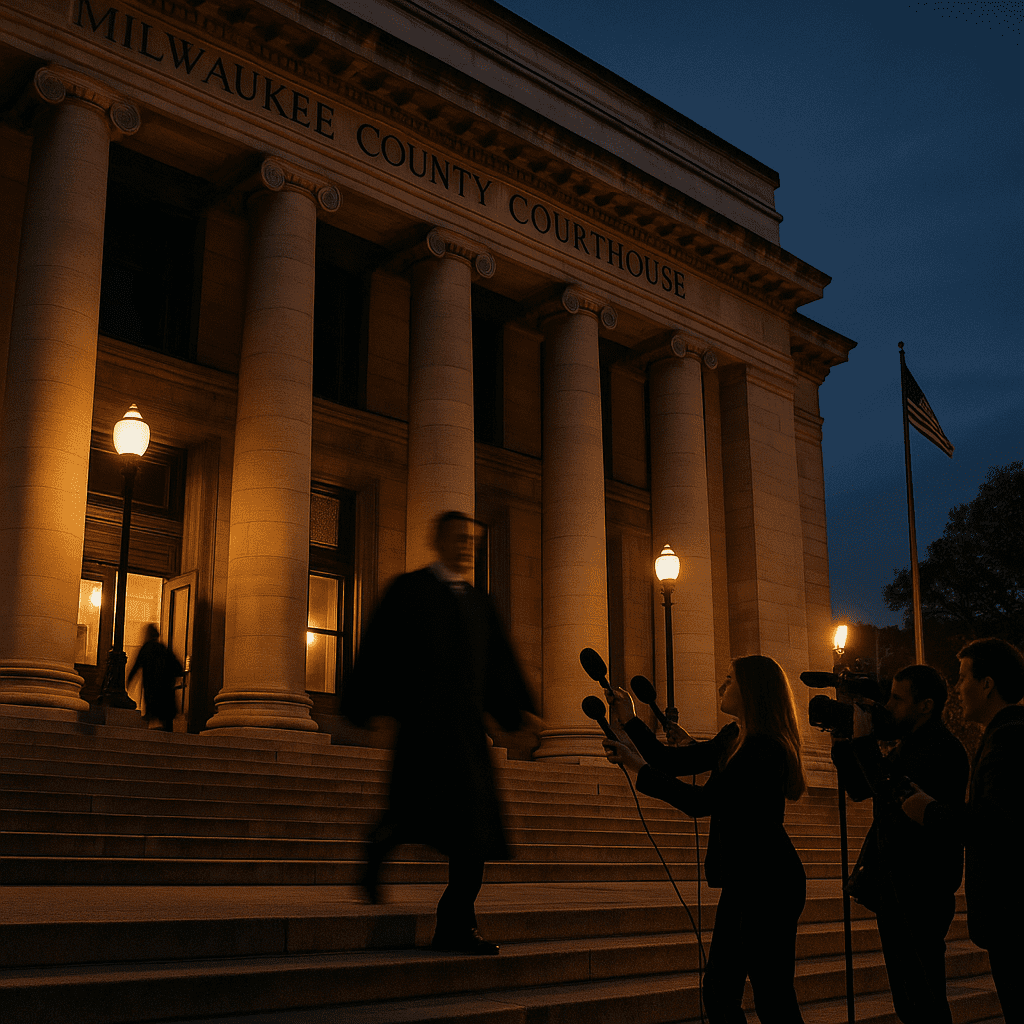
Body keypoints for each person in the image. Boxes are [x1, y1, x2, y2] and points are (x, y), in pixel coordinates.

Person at [339, 511, 536, 955]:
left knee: (476, 834)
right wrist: (363, 708)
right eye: (460, 538)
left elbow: (499, 668)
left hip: (467, 737)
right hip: (422, 733)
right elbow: (378, 648)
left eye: (473, 540)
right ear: (438, 540)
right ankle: (378, 847)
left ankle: (456, 925)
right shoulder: (408, 591)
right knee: (410, 815)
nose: (468, 546)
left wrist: (516, 717)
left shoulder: (479, 603)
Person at [603, 654, 807, 1023]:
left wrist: (637, 769)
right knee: (720, 993)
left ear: (752, 690)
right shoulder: (735, 737)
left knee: (772, 998)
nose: (720, 686)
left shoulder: (762, 749)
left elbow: (702, 803)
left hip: (769, 885)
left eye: (729, 679)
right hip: (745, 882)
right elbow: (675, 761)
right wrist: (630, 720)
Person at [830, 665, 969, 1024]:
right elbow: (861, 789)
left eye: (896, 698)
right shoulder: (908, 745)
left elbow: (893, 794)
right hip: (896, 887)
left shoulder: (942, 750)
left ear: (925, 705)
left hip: (921, 889)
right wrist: (844, 741)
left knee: (925, 1000)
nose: (887, 705)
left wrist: (863, 743)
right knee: (909, 1002)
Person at [901, 638, 1024, 1021]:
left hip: (1014, 915)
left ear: (987, 684)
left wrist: (929, 810)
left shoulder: (1008, 738)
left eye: (963, 677)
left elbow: (994, 827)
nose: (957, 689)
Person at [126, 624, 183, 731]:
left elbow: (136, 667)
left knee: (153, 714)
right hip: (166, 689)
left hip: (152, 688)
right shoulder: (164, 649)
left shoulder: (146, 649)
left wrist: (129, 681)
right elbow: (178, 667)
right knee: (166, 719)